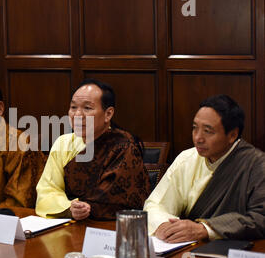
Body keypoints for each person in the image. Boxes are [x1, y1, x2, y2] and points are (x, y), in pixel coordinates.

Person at [143, 94, 265, 243]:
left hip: (230, 254)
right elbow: (155, 204)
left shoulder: (256, 164)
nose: (197, 138)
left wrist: (204, 229)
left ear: (232, 135)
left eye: (208, 131)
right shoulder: (187, 158)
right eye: (195, 128)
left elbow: (260, 218)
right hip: (184, 249)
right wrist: (165, 226)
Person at [35, 79, 151, 220]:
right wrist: (69, 208)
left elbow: (118, 199)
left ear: (108, 114)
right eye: (73, 107)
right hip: (69, 222)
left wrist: (88, 208)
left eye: (87, 108)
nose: (78, 115)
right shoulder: (63, 143)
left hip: (108, 228)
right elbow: (47, 190)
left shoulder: (123, 147)